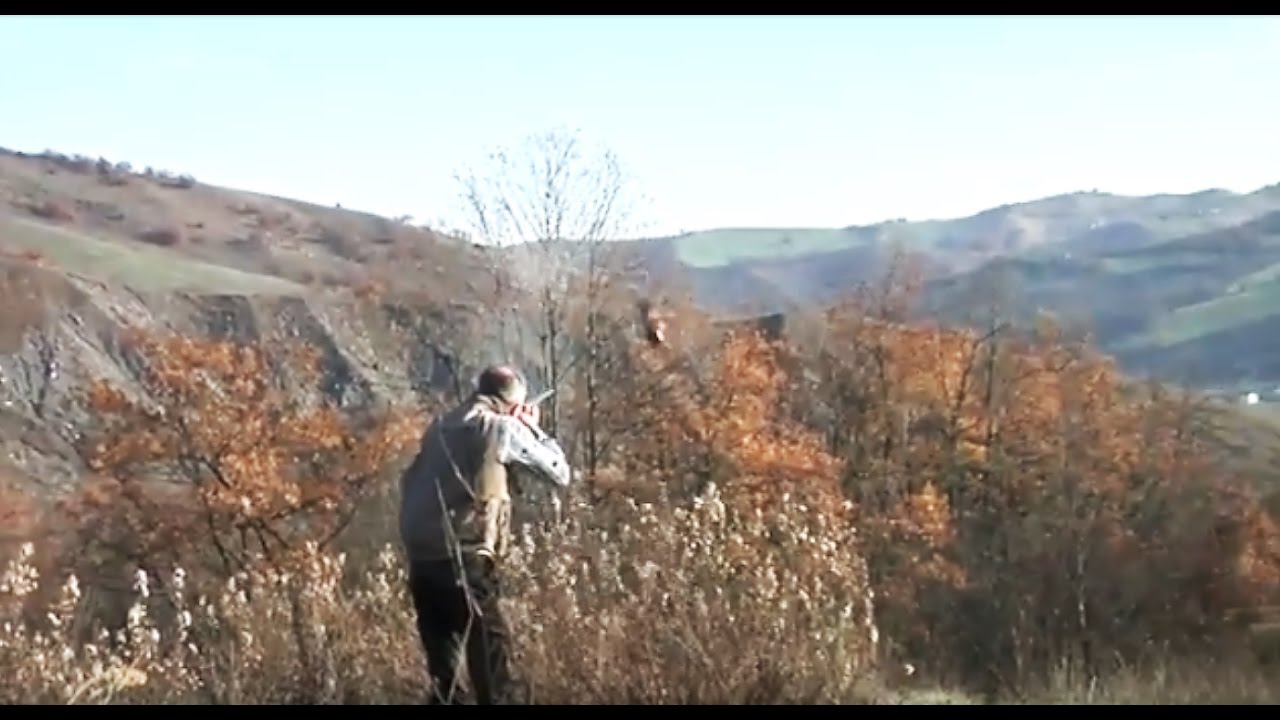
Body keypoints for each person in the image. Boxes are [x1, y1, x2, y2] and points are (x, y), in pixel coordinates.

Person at [398, 364, 571, 705]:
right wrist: (530, 427)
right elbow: (559, 473)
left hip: (422, 560)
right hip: (467, 559)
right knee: (493, 674)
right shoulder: (501, 426)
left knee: (444, 684)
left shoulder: (439, 427)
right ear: (510, 402)